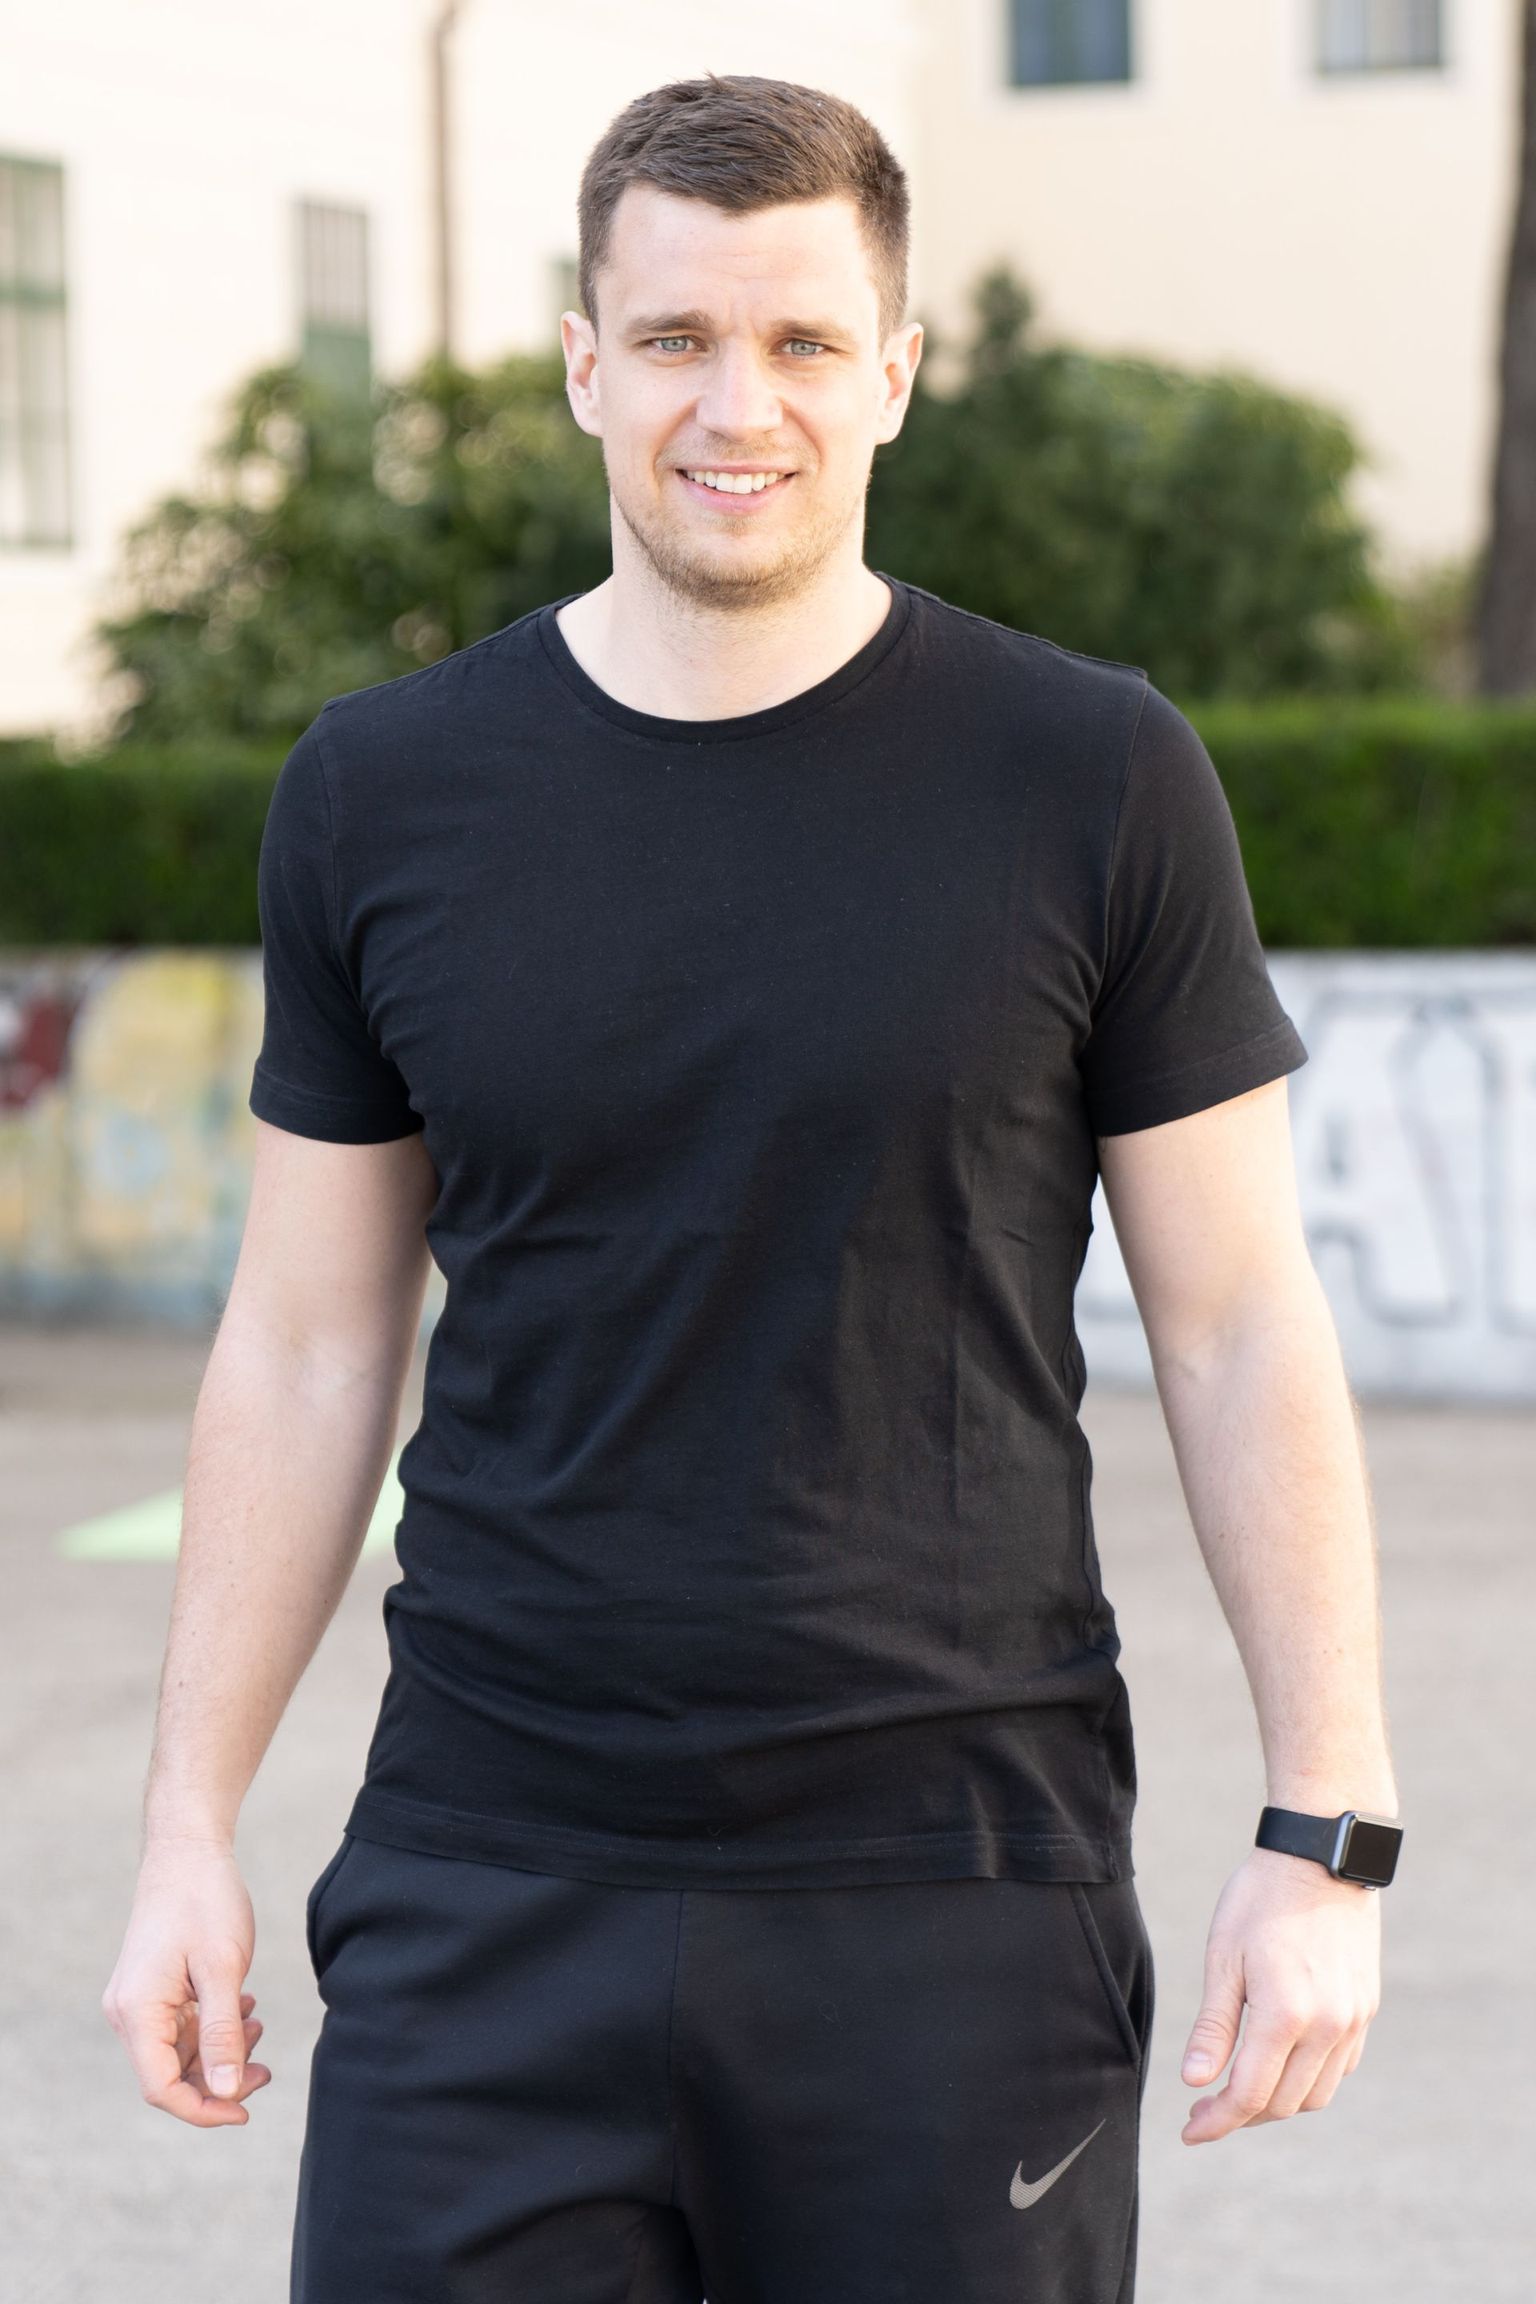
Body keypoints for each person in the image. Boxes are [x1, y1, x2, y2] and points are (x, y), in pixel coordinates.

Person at [101, 71, 1401, 2304]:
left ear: (893, 372)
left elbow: (1236, 1322)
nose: (740, 404)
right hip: (487, 1869)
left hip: (953, 1888)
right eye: (678, 338)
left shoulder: (1090, 776)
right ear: (583, 364)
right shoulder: (380, 794)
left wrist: (1328, 1830)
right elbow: (308, 1345)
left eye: (803, 341)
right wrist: (183, 1831)